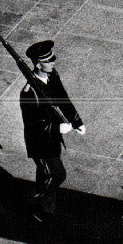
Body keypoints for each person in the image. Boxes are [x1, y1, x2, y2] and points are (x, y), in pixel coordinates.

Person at [19, 40, 85, 221]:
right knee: (55, 174)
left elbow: (63, 98)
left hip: (52, 138)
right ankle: (34, 202)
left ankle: (46, 210)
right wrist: (58, 128)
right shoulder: (29, 92)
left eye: (52, 59)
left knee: (46, 174)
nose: (53, 62)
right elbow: (34, 125)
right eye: (48, 61)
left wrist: (76, 121)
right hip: (39, 141)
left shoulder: (51, 76)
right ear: (38, 64)